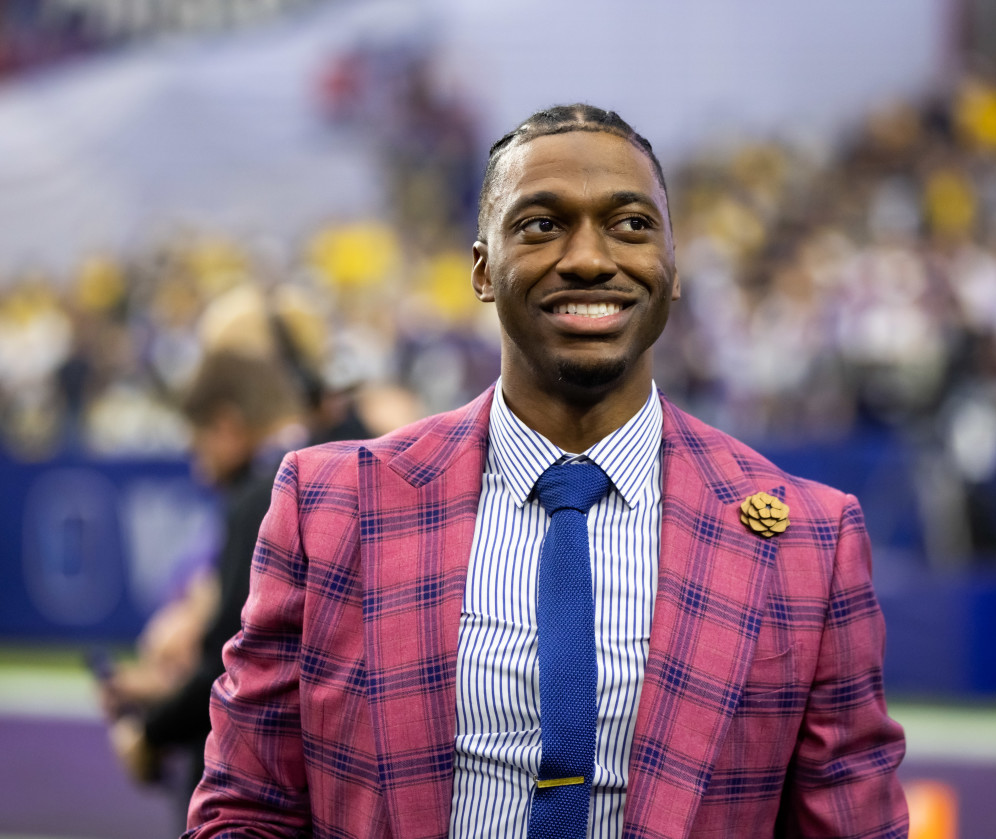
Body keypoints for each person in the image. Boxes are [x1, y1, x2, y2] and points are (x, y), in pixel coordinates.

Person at [185, 104, 907, 838]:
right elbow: (249, 805)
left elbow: (853, 825)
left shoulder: (809, 542)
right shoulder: (331, 505)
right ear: (481, 270)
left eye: (630, 225)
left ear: (673, 269)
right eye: (541, 225)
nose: (591, 258)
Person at [102, 349, 309, 821]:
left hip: (264, 789)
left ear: (226, 425)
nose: (198, 466)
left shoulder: (264, 495)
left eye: (198, 442)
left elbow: (235, 664)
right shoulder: (318, 465)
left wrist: (149, 734)